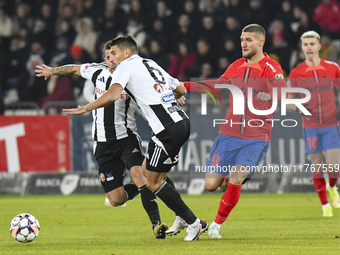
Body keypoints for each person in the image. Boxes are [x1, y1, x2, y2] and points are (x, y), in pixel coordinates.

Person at [63, 35, 208, 242]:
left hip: (165, 129)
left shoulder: (125, 67)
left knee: (152, 182)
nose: (111, 58)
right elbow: (181, 89)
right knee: (152, 175)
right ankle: (181, 217)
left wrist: (86, 108)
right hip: (181, 122)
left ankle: (194, 223)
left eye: (114, 53)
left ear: (126, 52)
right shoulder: (150, 63)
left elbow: (113, 94)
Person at [35, 41, 167, 239]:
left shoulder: (131, 76)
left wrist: (173, 94)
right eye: (107, 56)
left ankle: (156, 225)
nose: (110, 60)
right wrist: (53, 71)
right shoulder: (96, 71)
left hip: (126, 138)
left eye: (113, 55)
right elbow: (73, 69)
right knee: (116, 199)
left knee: (139, 176)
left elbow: (154, 89)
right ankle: (143, 188)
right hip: (103, 144)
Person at [177, 24, 287, 239]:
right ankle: (230, 177)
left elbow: (282, 89)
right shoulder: (236, 66)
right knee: (210, 185)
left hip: (256, 136)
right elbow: (217, 85)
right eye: (241, 39)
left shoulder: (271, 67)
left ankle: (217, 226)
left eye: (248, 40)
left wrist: (271, 95)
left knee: (237, 178)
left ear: (260, 42)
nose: (243, 44)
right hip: (229, 134)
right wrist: (186, 86)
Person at [287, 31, 340, 217]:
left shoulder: (332, 68)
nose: (308, 47)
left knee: (333, 167)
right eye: (305, 44)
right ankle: (325, 205)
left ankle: (332, 187)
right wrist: (302, 109)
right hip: (310, 126)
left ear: (319, 46)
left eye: (312, 43)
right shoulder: (297, 73)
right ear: (302, 48)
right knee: (317, 165)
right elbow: (287, 101)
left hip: (330, 123)